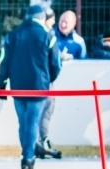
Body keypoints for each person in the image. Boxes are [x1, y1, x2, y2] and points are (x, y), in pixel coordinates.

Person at [0, 4, 62, 169]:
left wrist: (2, 83)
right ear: (42, 18)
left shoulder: (13, 35)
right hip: (39, 87)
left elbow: (4, 61)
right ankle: (28, 158)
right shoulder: (48, 36)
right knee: (32, 122)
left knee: (23, 122)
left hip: (17, 86)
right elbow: (56, 64)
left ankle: (27, 154)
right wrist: (48, 80)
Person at [36, 9, 87, 160]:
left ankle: (44, 141)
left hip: (67, 86)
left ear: (74, 24)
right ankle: (41, 140)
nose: (63, 24)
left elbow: (87, 65)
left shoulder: (79, 42)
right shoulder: (49, 35)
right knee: (42, 110)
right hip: (47, 82)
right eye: (61, 21)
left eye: (67, 22)